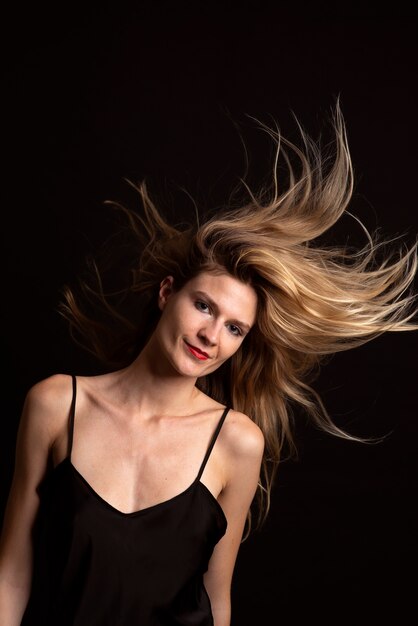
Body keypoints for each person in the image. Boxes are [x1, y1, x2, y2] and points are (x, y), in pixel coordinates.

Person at [0, 101, 417, 626]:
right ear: (166, 293)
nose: (210, 335)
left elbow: (216, 600)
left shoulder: (238, 443)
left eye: (235, 328)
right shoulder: (56, 404)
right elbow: (12, 571)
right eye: (203, 306)